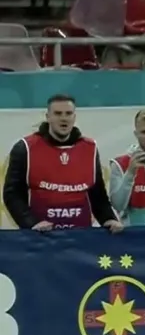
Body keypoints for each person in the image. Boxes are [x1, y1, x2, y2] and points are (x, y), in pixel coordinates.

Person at [2, 94, 122, 233]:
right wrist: (32, 223)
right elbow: (12, 194)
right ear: (48, 117)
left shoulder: (90, 148)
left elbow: (97, 194)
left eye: (68, 113)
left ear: (74, 117)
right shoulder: (25, 148)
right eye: (58, 114)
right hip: (41, 237)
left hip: (82, 236)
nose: (64, 118)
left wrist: (109, 219)